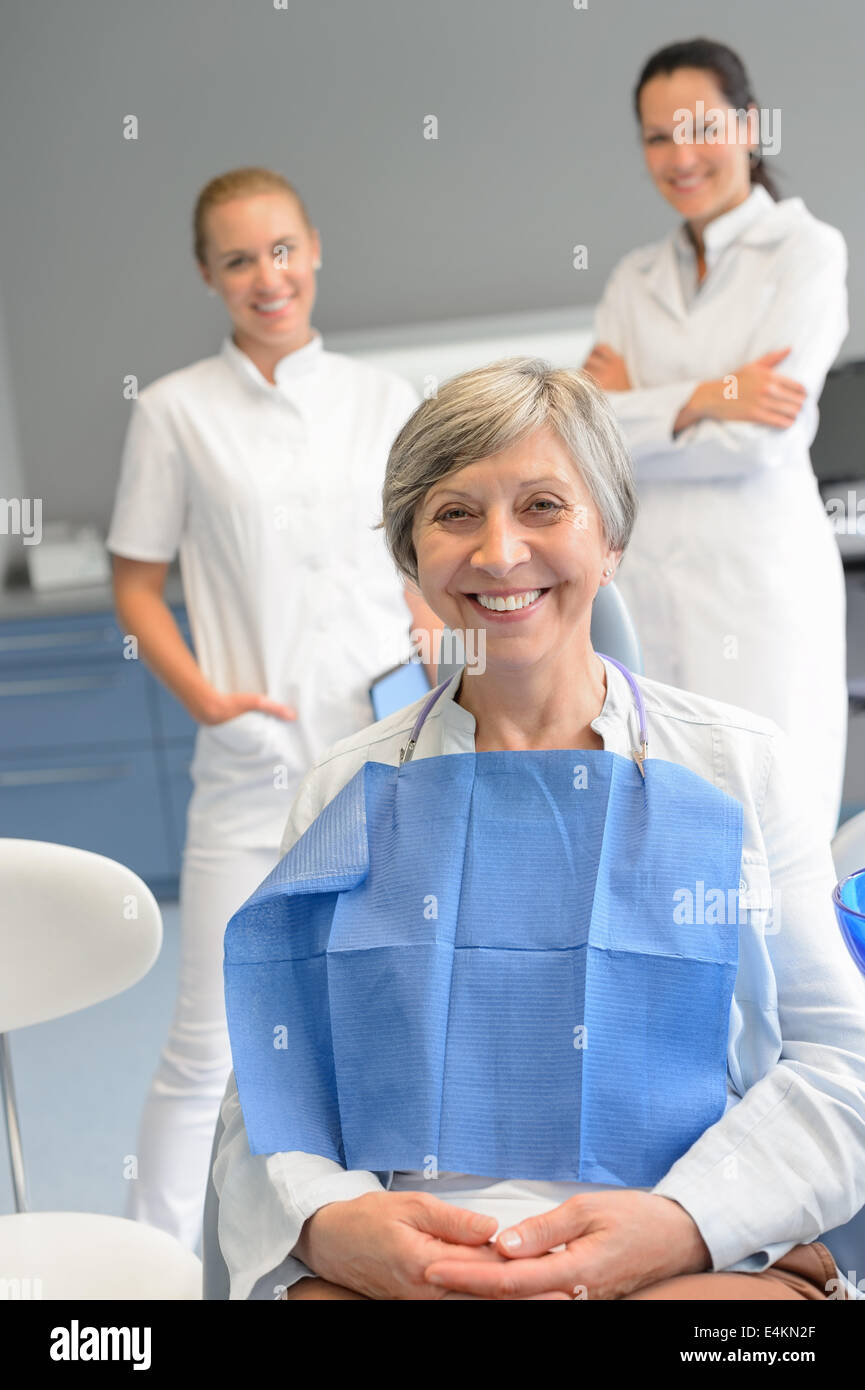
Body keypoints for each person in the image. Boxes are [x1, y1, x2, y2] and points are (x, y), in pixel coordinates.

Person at [212, 359, 865, 1301]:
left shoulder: (737, 769)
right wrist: (328, 1218)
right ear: (412, 556)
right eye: (455, 514)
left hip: (688, 1249)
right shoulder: (347, 790)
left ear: (611, 539)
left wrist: (683, 1224)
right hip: (417, 1259)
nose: (500, 553)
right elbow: (272, 1073)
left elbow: (840, 1065)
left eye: (544, 506)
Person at [107, 166, 439, 1250]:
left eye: (283, 248)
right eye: (240, 258)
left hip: (384, 751)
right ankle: (146, 1268)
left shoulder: (384, 400)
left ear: (315, 249)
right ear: (209, 275)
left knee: (388, 1010)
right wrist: (205, 694)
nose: (268, 276)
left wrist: (433, 624)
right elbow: (135, 582)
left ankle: (383, 1240)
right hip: (252, 766)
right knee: (209, 1042)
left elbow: (419, 558)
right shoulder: (174, 412)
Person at [582, 38, 849, 842]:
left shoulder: (805, 251)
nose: (679, 155)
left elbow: (757, 443)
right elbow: (594, 433)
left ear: (747, 125)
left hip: (760, 587)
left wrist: (642, 401)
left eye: (698, 127)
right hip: (653, 586)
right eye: (657, 137)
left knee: (777, 840)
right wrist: (712, 392)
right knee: (672, 835)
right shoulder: (633, 278)